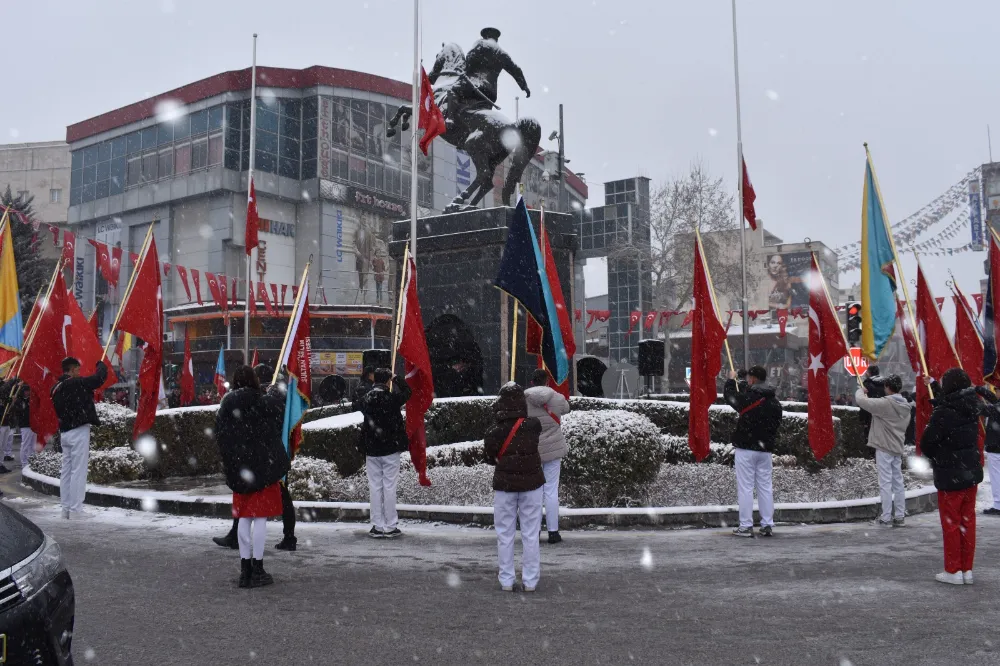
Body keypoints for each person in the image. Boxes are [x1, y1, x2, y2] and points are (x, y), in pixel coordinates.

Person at [215, 365, 290, 588]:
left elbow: (221, 436)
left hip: (240, 471)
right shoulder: (263, 401)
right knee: (260, 519)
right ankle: (258, 568)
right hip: (263, 470)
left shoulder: (227, 403)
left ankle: (244, 570)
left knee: (244, 518)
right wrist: (277, 387)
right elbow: (279, 407)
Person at [920, 369, 983, 585]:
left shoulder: (944, 411)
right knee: (968, 522)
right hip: (970, 472)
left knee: (951, 523)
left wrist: (937, 454)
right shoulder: (972, 406)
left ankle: (953, 569)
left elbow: (927, 443)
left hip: (950, 474)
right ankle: (967, 569)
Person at [484, 382, 545, 592]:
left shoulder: (494, 431)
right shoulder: (534, 425)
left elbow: (490, 458)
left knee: (504, 534)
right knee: (530, 533)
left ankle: (506, 580)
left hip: (504, 486)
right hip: (532, 484)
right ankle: (530, 580)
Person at [724, 366, 783, 538]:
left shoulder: (749, 398)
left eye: (749, 378)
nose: (748, 381)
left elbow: (730, 397)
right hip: (765, 451)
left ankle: (746, 525)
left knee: (746, 488)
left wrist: (731, 380)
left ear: (754, 379)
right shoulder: (775, 402)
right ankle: (767, 524)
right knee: (765, 488)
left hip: (746, 449)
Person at [354, 368, 411, 538]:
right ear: (388, 381)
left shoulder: (367, 398)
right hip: (390, 449)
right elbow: (408, 392)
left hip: (371, 450)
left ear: (373, 381)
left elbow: (354, 403)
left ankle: (377, 525)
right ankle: (391, 525)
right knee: (389, 487)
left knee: (375, 487)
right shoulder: (392, 399)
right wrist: (396, 378)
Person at [51, 358, 109, 519]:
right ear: (73, 369)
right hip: (78, 430)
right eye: (77, 369)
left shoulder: (55, 388)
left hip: (65, 432)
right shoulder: (75, 383)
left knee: (67, 471)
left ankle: (66, 509)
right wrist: (101, 365)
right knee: (78, 470)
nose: (79, 372)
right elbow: (99, 379)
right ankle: (76, 510)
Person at [855, 374, 910, 527]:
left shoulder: (885, 404)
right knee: (898, 483)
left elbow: (862, 401)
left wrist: (861, 390)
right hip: (897, 447)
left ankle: (886, 517)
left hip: (884, 447)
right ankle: (899, 516)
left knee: (885, 483)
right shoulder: (906, 406)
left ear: (887, 387)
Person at [524, 369, 570, 544]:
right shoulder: (557, 397)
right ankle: (553, 532)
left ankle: (533, 531)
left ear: (532, 382)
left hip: (532, 449)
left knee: (533, 491)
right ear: (547, 382)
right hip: (553, 449)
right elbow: (567, 408)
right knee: (551, 490)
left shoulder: (523, 399)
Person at [975, 384, 1000, 516]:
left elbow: (981, 408)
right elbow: (993, 400)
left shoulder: (996, 408)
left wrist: (971, 395)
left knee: (996, 478)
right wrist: (977, 389)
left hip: (996, 448)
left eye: (997, 391)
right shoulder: (997, 405)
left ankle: (998, 504)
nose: (995, 393)